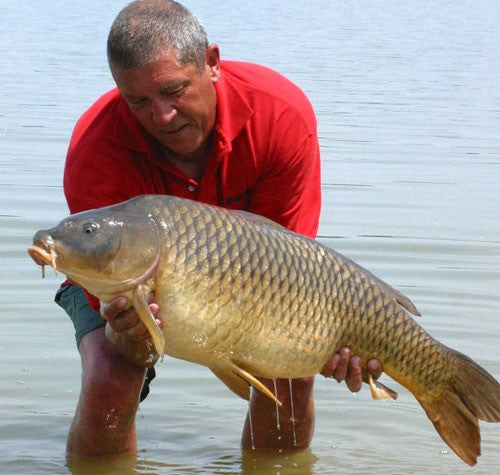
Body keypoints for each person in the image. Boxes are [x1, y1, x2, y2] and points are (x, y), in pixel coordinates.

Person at [56, 0, 382, 457]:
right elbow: (105, 284)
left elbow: (293, 268)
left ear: (211, 63)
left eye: (174, 91)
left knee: (288, 381)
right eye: (139, 101)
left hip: (257, 280)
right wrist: (126, 319)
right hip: (131, 277)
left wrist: (315, 344)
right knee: (114, 368)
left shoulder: (279, 116)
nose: (162, 115)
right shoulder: (96, 148)